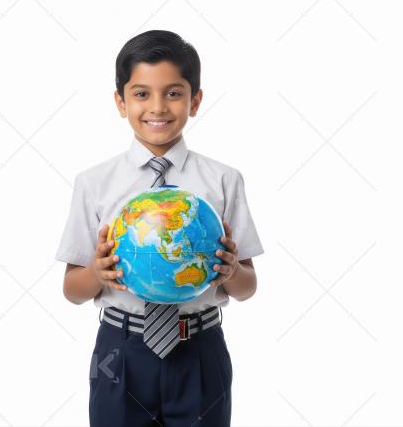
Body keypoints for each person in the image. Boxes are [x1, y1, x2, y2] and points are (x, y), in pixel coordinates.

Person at [55, 29, 264, 427]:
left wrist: (232, 271)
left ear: (195, 99)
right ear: (120, 101)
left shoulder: (223, 180)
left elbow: (248, 287)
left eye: (173, 92)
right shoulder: (94, 182)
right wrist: (97, 274)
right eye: (141, 93)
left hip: (201, 348)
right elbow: (71, 290)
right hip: (119, 349)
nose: (157, 107)